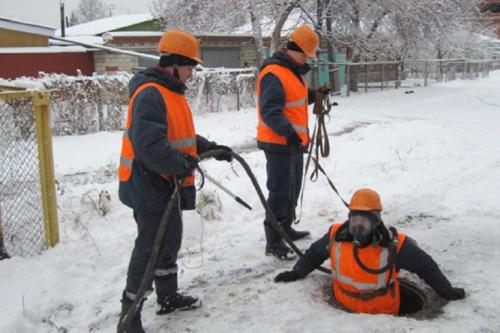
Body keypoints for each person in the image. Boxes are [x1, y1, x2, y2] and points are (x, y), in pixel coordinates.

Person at [117, 29, 233, 332]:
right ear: (175, 64)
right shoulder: (151, 94)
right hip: (148, 184)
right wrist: (181, 163)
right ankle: (129, 315)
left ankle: (167, 297)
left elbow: (177, 137)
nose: (192, 75)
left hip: (167, 181)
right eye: (190, 67)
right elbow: (148, 144)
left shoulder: (171, 92)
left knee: (170, 240)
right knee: (149, 248)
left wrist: (209, 147)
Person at [274, 188, 466, 315]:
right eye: (354, 219)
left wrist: (446, 291)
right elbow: (314, 254)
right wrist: (297, 272)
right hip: (343, 306)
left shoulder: (394, 245)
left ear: (376, 222)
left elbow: (426, 267)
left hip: (381, 314)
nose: (358, 226)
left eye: (364, 221)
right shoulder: (336, 235)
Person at [257, 25, 328, 260]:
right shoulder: (274, 73)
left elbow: (294, 98)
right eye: (305, 55)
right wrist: (288, 133)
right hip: (279, 144)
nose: (306, 60)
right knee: (279, 191)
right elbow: (270, 110)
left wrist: (314, 94)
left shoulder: (291, 72)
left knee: (292, 188)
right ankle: (274, 241)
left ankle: (285, 228)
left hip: (293, 143)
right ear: (294, 50)